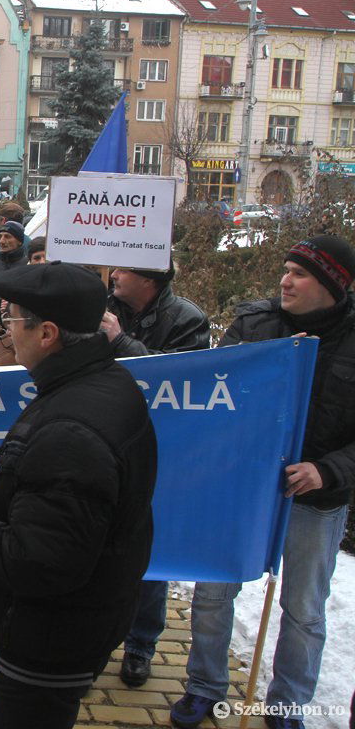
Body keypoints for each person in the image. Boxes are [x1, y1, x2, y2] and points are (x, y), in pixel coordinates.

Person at [0, 261, 157, 729]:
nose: (7, 333)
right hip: (79, 619)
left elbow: (45, 560)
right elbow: (64, 504)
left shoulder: (70, 428)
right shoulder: (102, 382)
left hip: (49, 637)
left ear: (47, 332)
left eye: (11, 319)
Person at [171, 236, 355, 729]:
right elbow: (214, 394)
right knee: (212, 592)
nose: (285, 280)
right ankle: (204, 686)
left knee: (303, 609)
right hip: (241, 490)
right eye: (286, 268)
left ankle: (287, 704)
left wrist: (327, 470)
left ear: (334, 284)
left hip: (316, 498)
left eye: (299, 273)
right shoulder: (255, 325)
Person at [98, 263, 209, 689]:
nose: (114, 275)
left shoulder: (187, 318)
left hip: (160, 447)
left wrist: (120, 341)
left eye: (123, 269)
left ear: (150, 279)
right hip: (107, 435)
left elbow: (179, 377)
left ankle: (141, 644)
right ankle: (99, 640)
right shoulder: (102, 308)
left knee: (147, 551)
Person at [0, 221, 27, 319]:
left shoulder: (28, 266)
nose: (2, 241)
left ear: (19, 241)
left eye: (7, 236)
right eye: (0, 236)